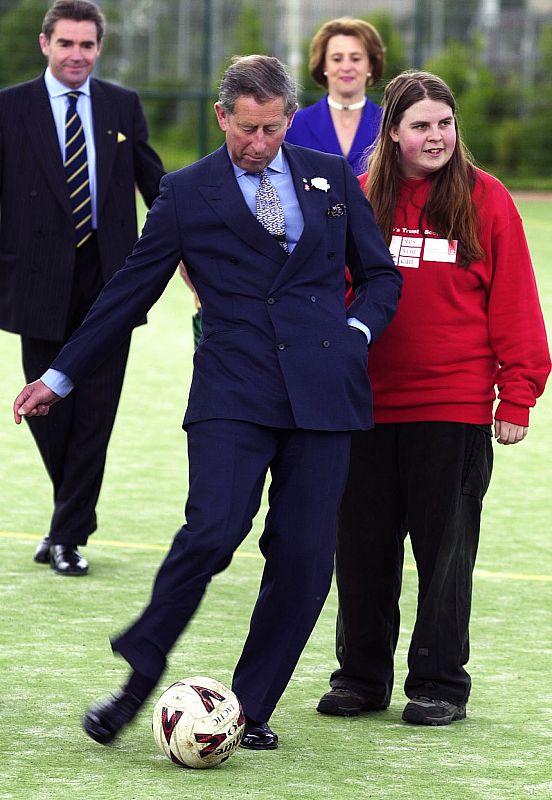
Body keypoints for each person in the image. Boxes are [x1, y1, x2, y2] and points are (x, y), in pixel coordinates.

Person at [13, 55, 402, 750]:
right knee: (214, 530)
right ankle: (138, 682)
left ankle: (248, 708)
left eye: (273, 129)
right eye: (247, 129)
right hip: (234, 388)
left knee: (307, 558)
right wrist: (59, 377)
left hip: (324, 392)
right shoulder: (186, 193)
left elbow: (380, 277)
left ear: (289, 117)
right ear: (222, 115)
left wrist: (356, 330)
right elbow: (128, 289)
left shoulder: (331, 175)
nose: (259, 144)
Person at [316, 71, 551, 726]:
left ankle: (440, 684)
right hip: (366, 408)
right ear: (392, 132)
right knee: (361, 551)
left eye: (445, 124)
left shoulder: (487, 200)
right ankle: (361, 678)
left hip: (454, 406)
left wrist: (518, 395)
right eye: (421, 125)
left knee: (445, 557)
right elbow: (330, 294)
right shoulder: (361, 199)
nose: (436, 136)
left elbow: (516, 304)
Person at [0, 0, 164, 576]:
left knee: (95, 412)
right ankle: (66, 521)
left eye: (87, 45)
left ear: (99, 48)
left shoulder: (122, 105)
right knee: (48, 412)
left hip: (109, 283)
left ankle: (69, 535)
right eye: (66, 43)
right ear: (45, 44)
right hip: (37, 282)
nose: (77, 55)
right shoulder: (9, 109)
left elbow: (157, 185)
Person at [285, 17, 385, 175]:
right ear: (324, 65)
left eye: (356, 58)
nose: (346, 67)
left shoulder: (389, 125)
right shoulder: (293, 126)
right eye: (337, 59)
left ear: (370, 65)